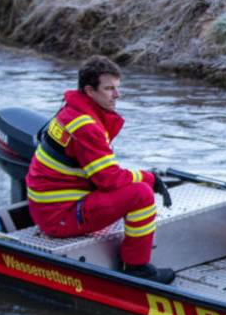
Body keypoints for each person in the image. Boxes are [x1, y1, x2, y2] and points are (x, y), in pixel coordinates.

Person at [24, 55, 176, 284]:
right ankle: (136, 268)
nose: (117, 95)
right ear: (89, 91)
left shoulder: (72, 110)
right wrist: (149, 179)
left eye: (117, 88)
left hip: (50, 206)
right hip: (59, 216)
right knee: (141, 195)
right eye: (109, 88)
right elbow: (108, 178)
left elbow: (101, 172)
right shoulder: (86, 127)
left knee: (134, 187)